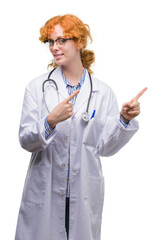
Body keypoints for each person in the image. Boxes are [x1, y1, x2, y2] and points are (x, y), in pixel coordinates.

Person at [14, 14, 147, 240]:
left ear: (80, 43)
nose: (54, 47)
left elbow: (105, 147)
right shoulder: (37, 88)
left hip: (83, 192)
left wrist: (123, 119)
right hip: (44, 192)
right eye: (51, 41)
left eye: (62, 40)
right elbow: (26, 140)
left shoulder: (102, 92)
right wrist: (50, 121)